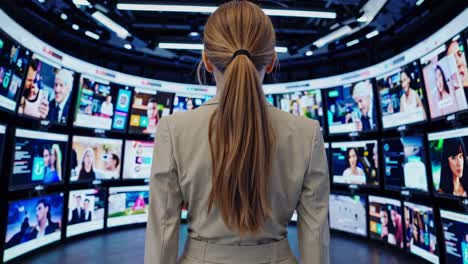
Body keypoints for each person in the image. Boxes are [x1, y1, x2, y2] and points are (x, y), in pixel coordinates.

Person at [145, 2, 329, 264]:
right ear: (272, 60)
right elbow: (316, 237)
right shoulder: (307, 133)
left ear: (206, 61)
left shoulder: (173, 130)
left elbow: (162, 232)